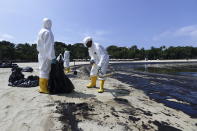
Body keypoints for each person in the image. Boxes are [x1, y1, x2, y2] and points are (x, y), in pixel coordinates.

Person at [37, 18, 56, 93]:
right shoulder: (47, 32)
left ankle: (42, 87)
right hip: (46, 55)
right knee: (45, 71)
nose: (50, 24)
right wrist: (52, 57)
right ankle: (43, 88)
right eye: (49, 23)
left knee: (42, 70)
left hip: (42, 54)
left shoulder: (41, 31)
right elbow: (49, 46)